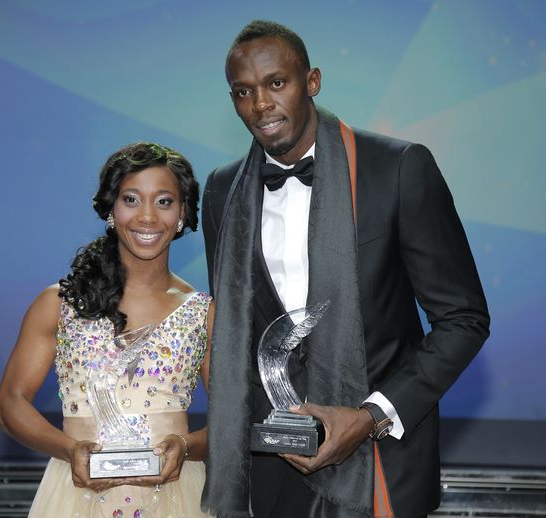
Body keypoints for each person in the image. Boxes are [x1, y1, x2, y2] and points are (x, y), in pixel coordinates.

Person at [201, 20, 490, 518]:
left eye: (276, 83)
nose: (261, 104)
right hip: (271, 464)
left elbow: (464, 320)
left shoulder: (399, 168)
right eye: (243, 91)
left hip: (379, 457)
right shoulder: (223, 191)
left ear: (312, 82)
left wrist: (369, 415)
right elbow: (236, 334)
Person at [0, 142, 213, 517]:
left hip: (178, 498)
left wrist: (187, 445)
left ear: (182, 214)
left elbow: (234, 420)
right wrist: (69, 449)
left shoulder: (204, 312)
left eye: (164, 201)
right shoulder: (59, 304)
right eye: (131, 199)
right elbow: (10, 404)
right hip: (74, 498)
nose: (147, 217)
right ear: (111, 209)